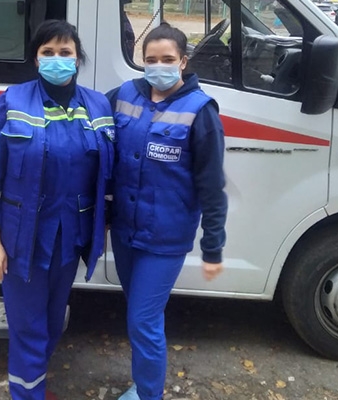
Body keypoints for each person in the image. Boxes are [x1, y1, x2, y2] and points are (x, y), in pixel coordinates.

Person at [0, 19, 115, 400]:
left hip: (69, 239)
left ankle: (34, 386)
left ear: (77, 58)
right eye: (47, 52)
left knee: (52, 323)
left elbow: (107, 173)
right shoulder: (12, 101)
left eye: (65, 52)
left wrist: (103, 225)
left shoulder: (98, 106)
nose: (57, 59)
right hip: (23, 240)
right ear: (36, 59)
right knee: (28, 329)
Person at [106, 23, 228, 400]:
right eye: (151, 59)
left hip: (165, 240)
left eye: (168, 59)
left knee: (142, 320)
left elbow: (212, 187)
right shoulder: (125, 94)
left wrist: (212, 248)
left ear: (183, 62)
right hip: (125, 233)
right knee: (141, 315)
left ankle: (148, 394)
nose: (158, 67)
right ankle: (143, 384)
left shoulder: (200, 111)